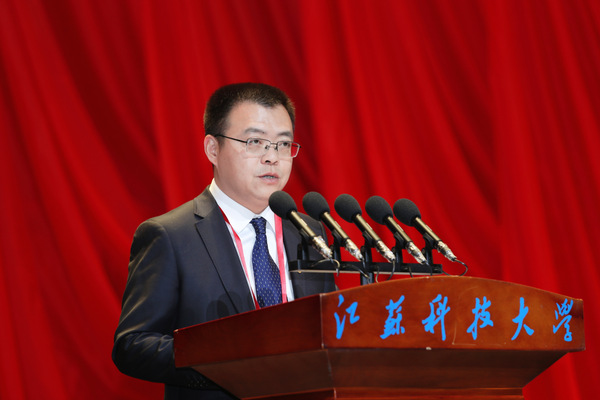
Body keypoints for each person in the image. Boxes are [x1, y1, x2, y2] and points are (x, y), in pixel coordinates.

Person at [112, 83, 336, 400]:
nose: (272, 158)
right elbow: (133, 345)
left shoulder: (309, 232)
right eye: (255, 142)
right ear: (213, 149)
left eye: (283, 144)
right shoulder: (170, 236)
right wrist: (225, 364)